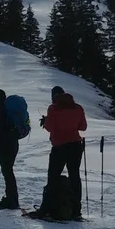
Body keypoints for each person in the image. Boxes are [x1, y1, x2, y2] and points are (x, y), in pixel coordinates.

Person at [42, 85, 88, 220]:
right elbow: (83, 127)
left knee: (53, 177)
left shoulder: (53, 108)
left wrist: (46, 121)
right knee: (74, 176)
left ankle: (48, 209)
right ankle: (76, 210)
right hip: (75, 146)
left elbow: (49, 127)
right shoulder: (78, 108)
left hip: (59, 146)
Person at [0, 88, 21, 209]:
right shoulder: (8, 110)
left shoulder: (0, 111)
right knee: (8, 171)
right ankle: (12, 198)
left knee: (7, 172)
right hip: (13, 143)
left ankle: (12, 200)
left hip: (3, 145)